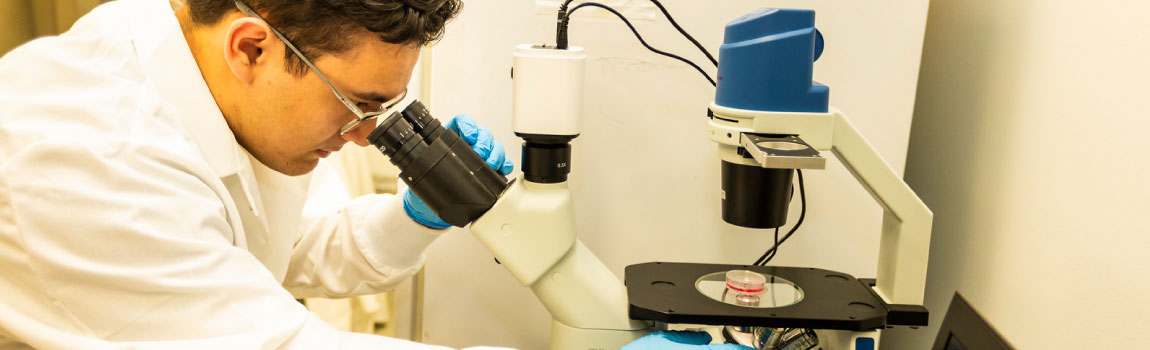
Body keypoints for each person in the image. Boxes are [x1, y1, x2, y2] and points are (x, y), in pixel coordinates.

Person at [0, 0, 749, 348]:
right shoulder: (87, 154)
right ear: (252, 49)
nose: (366, 135)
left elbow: (289, 247)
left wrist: (411, 214)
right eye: (358, 103)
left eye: (388, 108)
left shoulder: (236, 94)